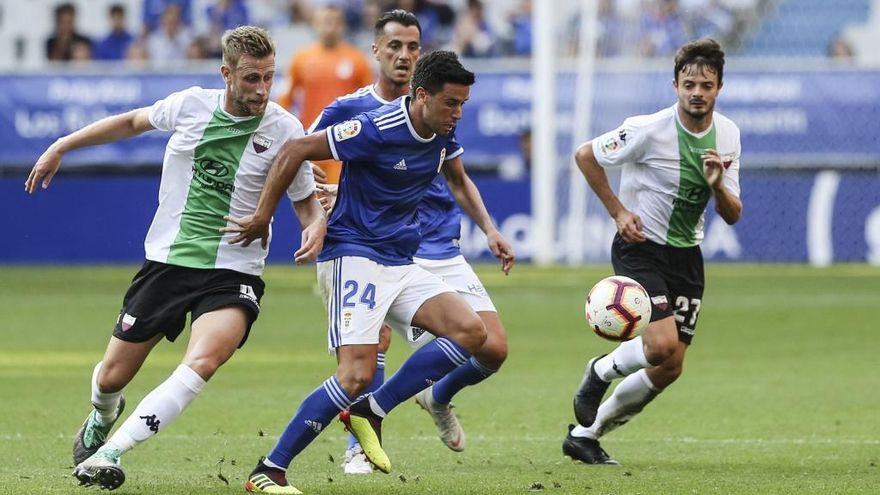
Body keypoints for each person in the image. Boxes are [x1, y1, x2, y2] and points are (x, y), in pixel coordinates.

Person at [24, 26, 325, 490]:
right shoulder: (190, 105)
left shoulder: (286, 129)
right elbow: (130, 123)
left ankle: (110, 452)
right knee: (111, 378)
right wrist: (62, 145)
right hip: (168, 262)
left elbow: (307, 202)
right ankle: (102, 417)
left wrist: (315, 228)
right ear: (226, 73)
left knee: (203, 361)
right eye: (251, 79)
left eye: (268, 77)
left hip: (234, 270)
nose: (262, 89)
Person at [225, 50, 485, 494]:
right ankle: (268, 470)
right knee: (355, 374)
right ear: (422, 96)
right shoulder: (376, 127)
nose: (457, 113)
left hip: (399, 259)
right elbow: (295, 149)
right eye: (451, 103)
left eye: (462, 104)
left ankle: (372, 411)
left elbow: (449, 180)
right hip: (355, 256)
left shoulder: (442, 135)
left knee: (471, 332)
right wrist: (265, 214)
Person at [308, 10, 514, 474]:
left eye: (412, 47)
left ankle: (437, 397)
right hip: (377, 244)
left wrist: (491, 229)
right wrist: (322, 208)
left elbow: (458, 179)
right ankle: (359, 444)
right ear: (376, 50)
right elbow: (300, 155)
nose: (404, 55)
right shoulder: (349, 108)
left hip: (439, 241)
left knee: (492, 349)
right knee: (372, 340)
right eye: (395, 46)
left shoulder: (443, 103)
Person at [567, 38, 742, 465]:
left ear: (719, 87)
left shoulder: (730, 135)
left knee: (669, 366)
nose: (696, 93)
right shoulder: (648, 129)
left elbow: (733, 213)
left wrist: (718, 183)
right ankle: (599, 372)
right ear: (675, 85)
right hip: (639, 247)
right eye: (688, 84)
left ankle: (585, 435)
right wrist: (618, 211)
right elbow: (586, 154)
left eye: (705, 85)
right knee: (660, 343)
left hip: (687, 257)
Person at [277, 3, 373, 184]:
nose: (330, 27)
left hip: (343, 145)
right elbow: (285, 98)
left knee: (337, 202)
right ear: (315, 24)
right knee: (310, 203)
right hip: (310, 144)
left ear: (342, 26)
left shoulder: (357, 60)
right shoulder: (301, 59)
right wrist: (290, 135)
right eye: (325, 22)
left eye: (335, 22)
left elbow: (371, 101)